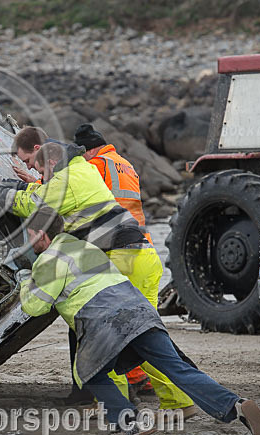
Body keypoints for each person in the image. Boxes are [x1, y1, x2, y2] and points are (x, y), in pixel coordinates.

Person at [16, 208, 260, 435]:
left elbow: (35, 306)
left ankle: (131, 422)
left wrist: (25, 278)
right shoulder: (84, 247)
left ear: (41, 234)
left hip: (105, 318)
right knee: (177, 369)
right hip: (138, 309)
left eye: (28, 235)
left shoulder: (49, 259)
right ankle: (236, 405)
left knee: (88, 371)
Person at [0, 142, 195, 415]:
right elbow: (47, 192)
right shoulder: (95, 167)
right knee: (144, 335)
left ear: (52, 160)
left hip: (122, 258)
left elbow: (36, 203)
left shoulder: (76, 174)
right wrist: (24, 184)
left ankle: (117, 407)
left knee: (118, 336)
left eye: (36, 165)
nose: (34, 170)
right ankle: (176, 401)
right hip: (142, 253)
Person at [74, 123, 190, 404]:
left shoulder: (95, 166)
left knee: (112, 330)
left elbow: (76, 198)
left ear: (87, 151)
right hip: (144, 249)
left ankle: (120, 401)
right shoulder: (125, 164)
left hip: (119, 253)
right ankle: (142, 380)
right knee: (145, 328)